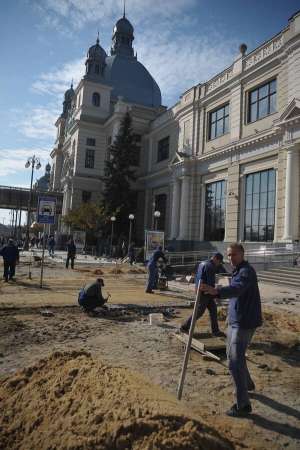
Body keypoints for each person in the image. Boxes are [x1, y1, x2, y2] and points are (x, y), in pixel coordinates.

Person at [200, 243, 262, 418]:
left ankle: (243, 405)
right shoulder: (237, 271)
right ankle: (247, 383)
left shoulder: (246, 272)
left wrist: (216, 291)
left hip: (244, 323)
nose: (230, 258)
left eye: (234, 255)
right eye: (228, 255)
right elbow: (236, 295)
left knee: (234, 361)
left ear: (242, 254)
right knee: (234, 354)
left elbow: (237, 288)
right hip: (236, 320)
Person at [180, 252, 226, 337]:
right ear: (216, 258)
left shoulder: (202, 263)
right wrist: (213, 292)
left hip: (200, 290)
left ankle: (215, 331)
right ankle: (185, 326)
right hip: (205, 292)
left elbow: (198, 277)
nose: (219, 264)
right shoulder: (210, 267)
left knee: (213, 310)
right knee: (199, 312)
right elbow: (210, 282)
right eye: (219, 262)